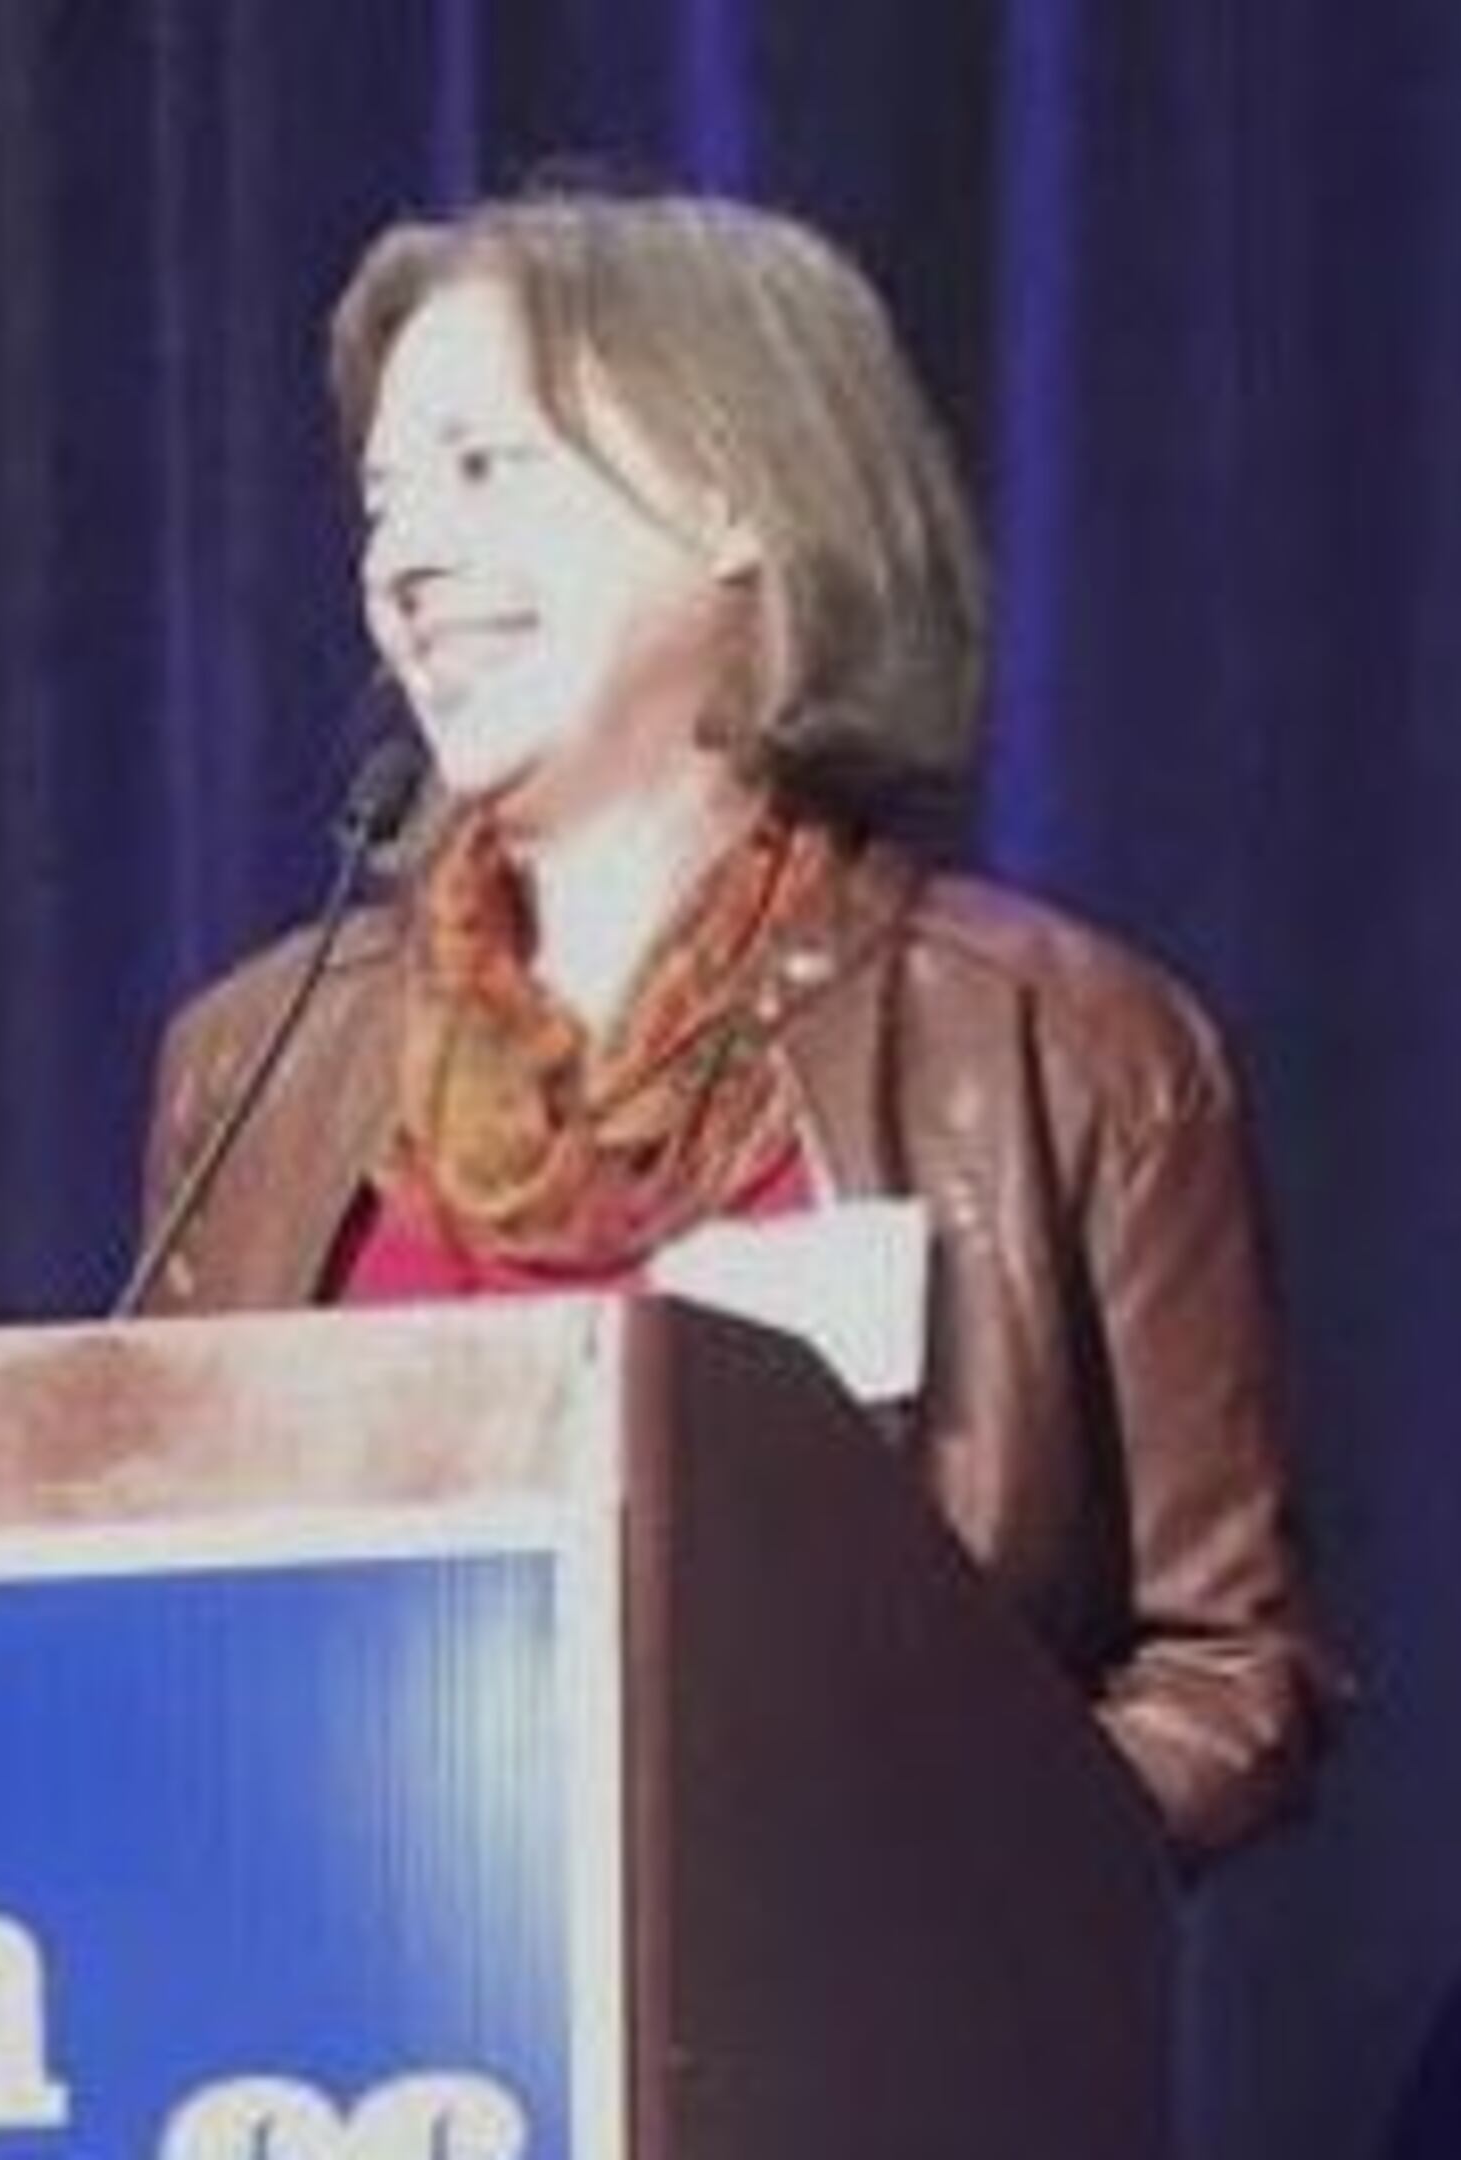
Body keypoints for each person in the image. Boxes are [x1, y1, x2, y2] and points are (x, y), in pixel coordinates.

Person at [134, 187, 1341, 1866]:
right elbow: (152, 1608)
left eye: (485, 471)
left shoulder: (1057, 1049)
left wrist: (915, 1895)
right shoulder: (255, 1063)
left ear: (737, 497)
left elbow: (1228, 1670)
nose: (402, 562)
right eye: (383, 500)